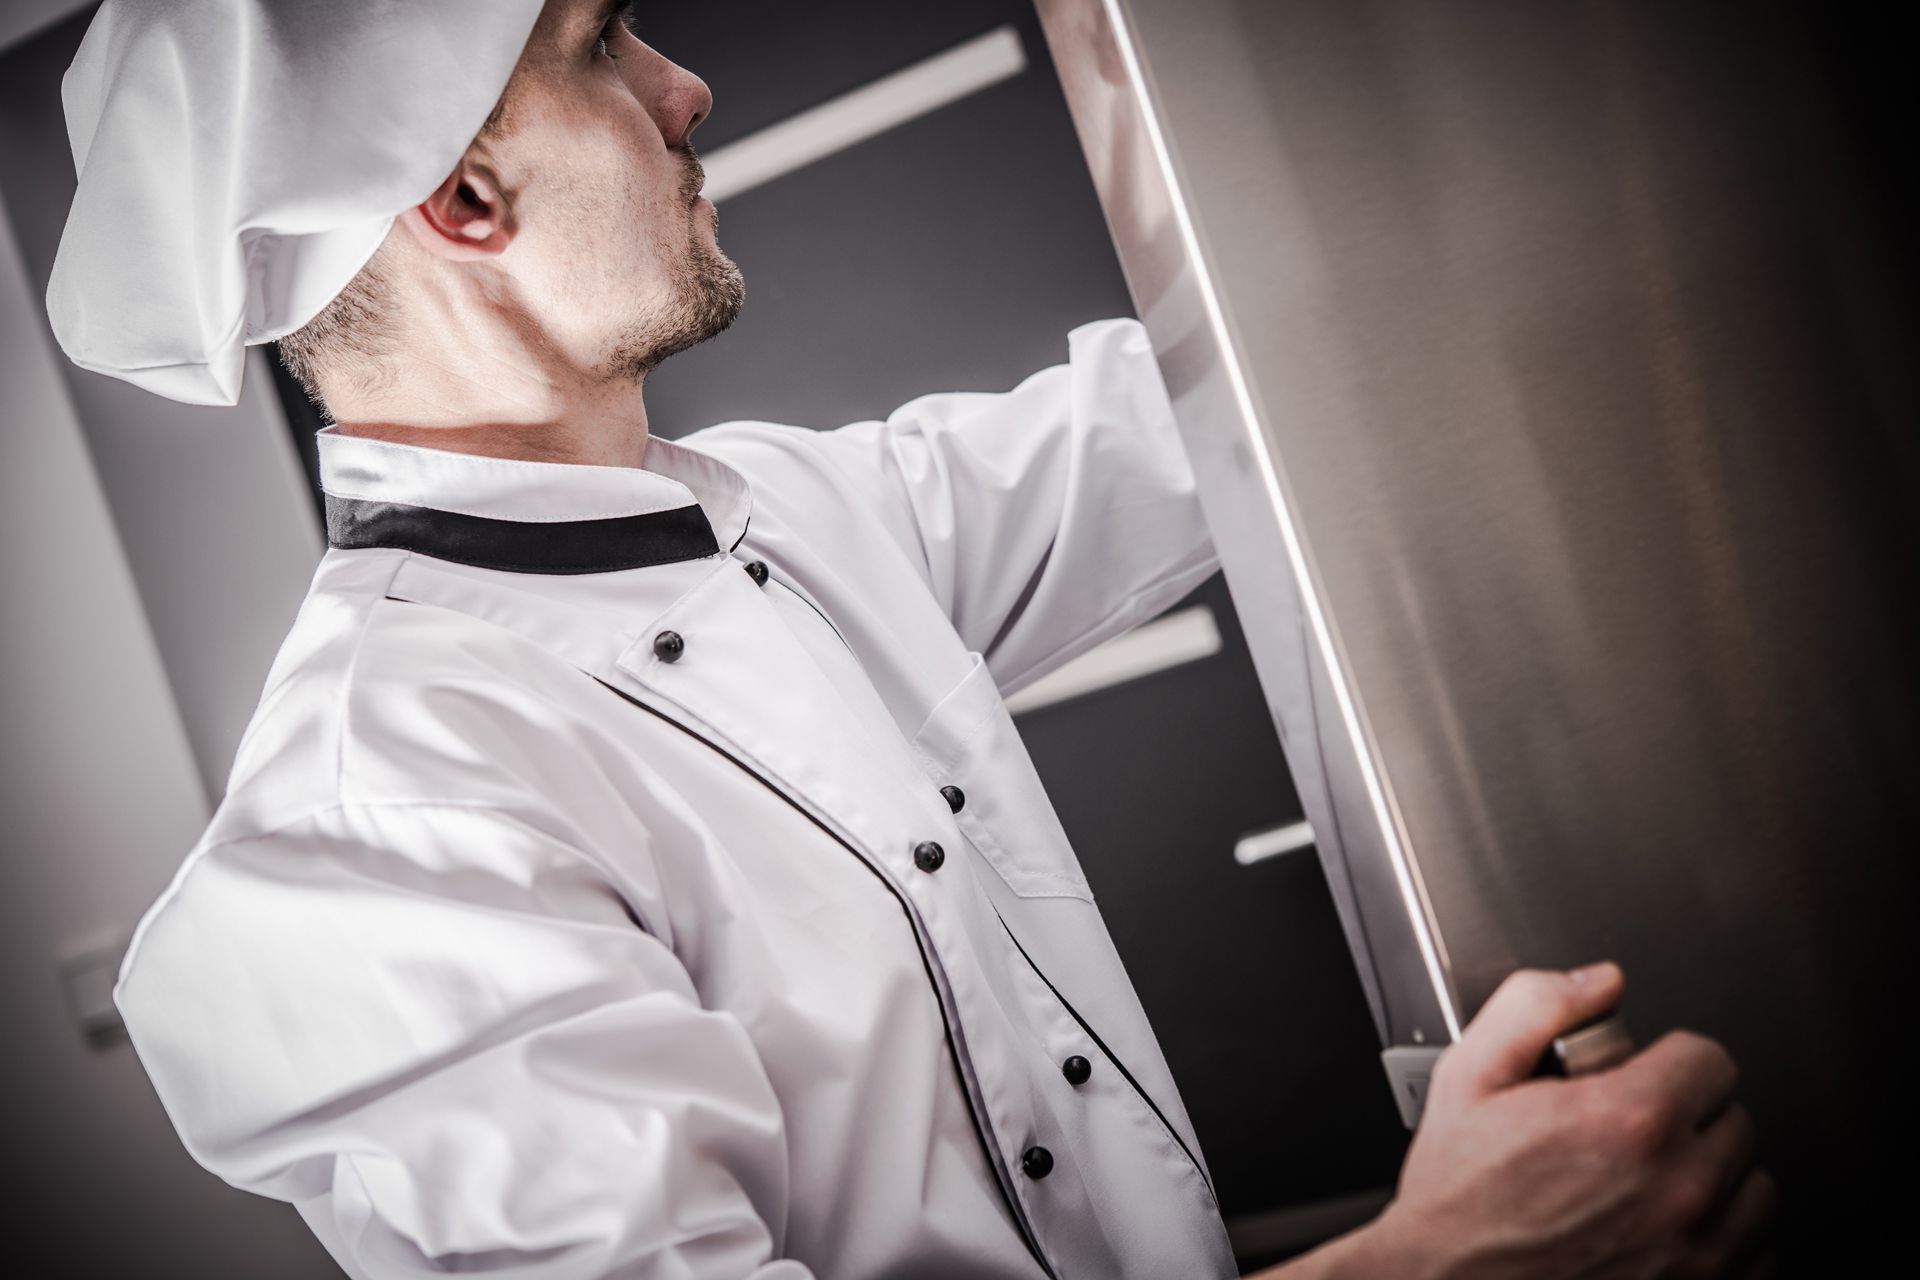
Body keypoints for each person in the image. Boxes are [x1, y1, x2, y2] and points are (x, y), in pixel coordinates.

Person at [47, 1, 1775, 1276]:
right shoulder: (369, 834)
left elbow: (1210, 408)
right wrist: (1448, 1260)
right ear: (465, 202)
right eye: (598, 46)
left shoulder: (791, 512)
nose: (681, 85)